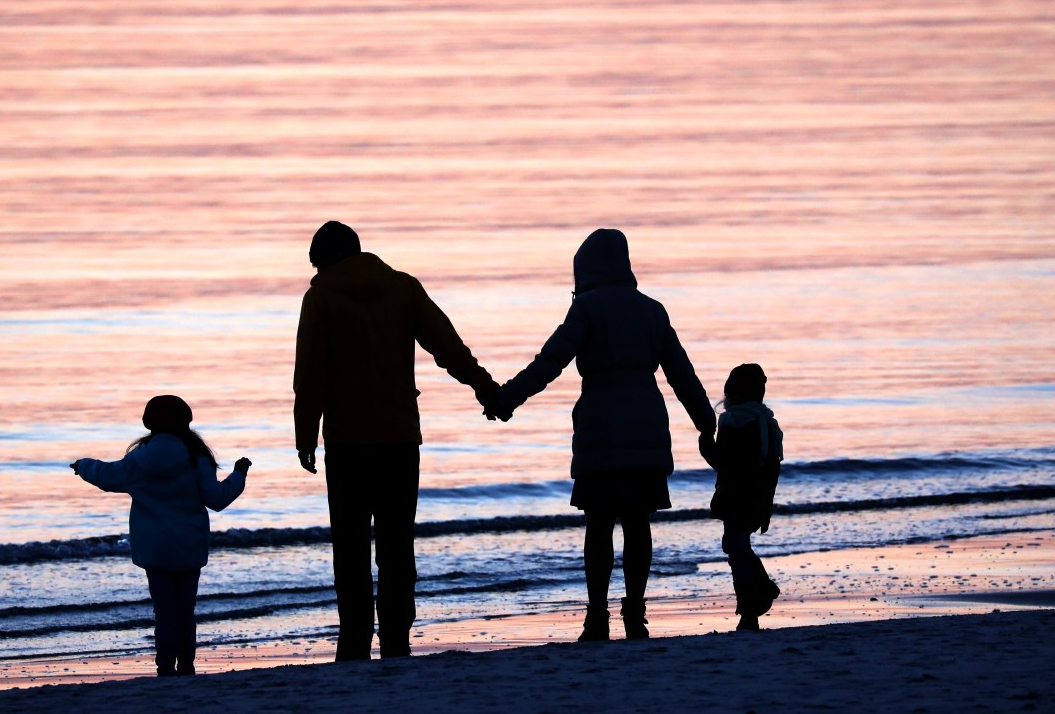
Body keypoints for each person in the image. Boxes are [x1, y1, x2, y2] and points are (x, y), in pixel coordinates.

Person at [491, 228, 715, 641]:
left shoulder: (588, 309)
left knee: (598, 527)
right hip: (646, 426)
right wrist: (706, 423)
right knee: (637, 524)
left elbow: (549, 362)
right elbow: (682, 374)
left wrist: (507, 399)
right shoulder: (652, 310)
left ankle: (596, 616)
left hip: (599, 429)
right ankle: (635, 613)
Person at [293, 221, 500, 661]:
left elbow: (309, 372)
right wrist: (483, 386)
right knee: (396, 543)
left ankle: (354, 637)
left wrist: (305, 433)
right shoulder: (402, 287)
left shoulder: (322, 296)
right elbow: (447, 346)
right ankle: (396, 636)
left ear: (323, 260)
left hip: (347, 442)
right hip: (399, 438)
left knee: (349, 546)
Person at [71, 394, 250, 676]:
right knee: (185, 611)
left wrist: (82, 465)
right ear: (185, 421)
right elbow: (217, 499)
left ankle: (165, 667)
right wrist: (239, 473)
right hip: (189, 545)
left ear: (148, 422)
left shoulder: (139, 459)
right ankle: (186, 666)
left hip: (154, 547)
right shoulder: (196, 457)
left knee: (164, 612)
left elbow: (107, 475)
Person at [699, 363, 783, 631]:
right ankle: (760, 592)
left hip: (737, 496)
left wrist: (706, 448)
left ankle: (749, 610)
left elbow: (727, 464)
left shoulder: (733, 421)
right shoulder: (766, 421)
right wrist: (766, 504)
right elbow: (771, 467)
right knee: (736, 546)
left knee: (736, 549)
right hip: (756, 496)